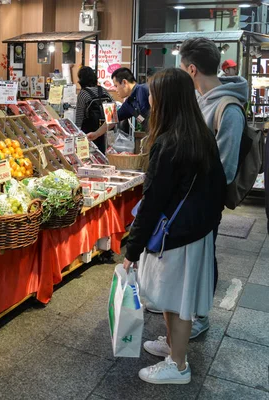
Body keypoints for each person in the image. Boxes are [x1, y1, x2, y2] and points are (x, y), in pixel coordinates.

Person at [123, 68, 226, 385]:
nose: (149, 99)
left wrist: (132, 248)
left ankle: (178, 365)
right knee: (176, 296)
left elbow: (152, 202)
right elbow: (220, 186)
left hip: (175, 235)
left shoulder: (168, 142)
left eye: (153, 93)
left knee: (176, 299)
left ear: (166, 100)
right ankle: (172, 344)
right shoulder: (200, 134)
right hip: (195, 231)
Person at [179, 37, 247, 337]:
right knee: (190, 257)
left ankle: (201, 316)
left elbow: (225, 169)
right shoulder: (199, 100)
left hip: (205, 200)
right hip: (189, 196)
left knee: (204, 257)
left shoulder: (228, 108)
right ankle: (184, 311)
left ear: (192, 69)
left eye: (182, 68)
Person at [75, 66, 114, 152]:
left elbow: (79, 117)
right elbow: (113, 115)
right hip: (105, 131)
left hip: (89, 133)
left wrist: (76, 134)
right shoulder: (103, 90)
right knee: (103, 156)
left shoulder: (83, 93)